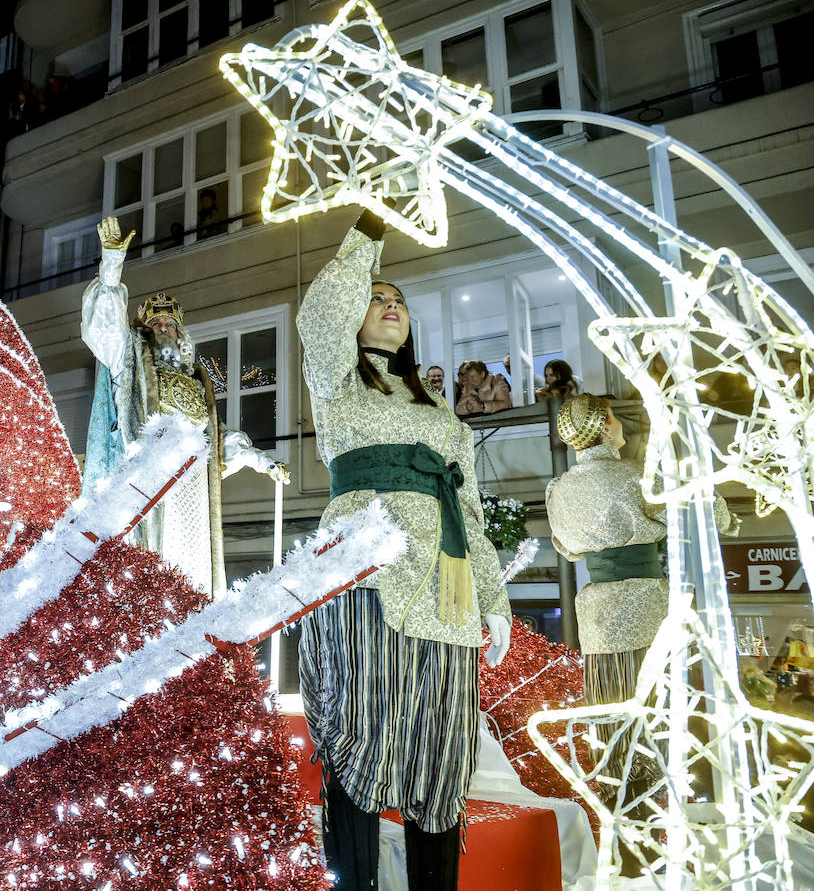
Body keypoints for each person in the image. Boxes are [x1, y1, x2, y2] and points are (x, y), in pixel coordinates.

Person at [295, 209, 512, 891]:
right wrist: (369, 229)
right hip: (368, 584)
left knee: (442, 760)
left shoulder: (442, 415)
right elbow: (318, 315)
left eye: (400, 303)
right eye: (377, 297)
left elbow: (469, 510)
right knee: (358, 746)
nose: (391, 307)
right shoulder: (336, 380)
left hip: (446, 597)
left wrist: (495, 599)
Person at [546, 394, 739, 874]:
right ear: (607, 426)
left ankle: (625, 839)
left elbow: (568, 549)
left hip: (595, 614)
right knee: (660, 719)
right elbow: (708, 517)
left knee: (612, 725)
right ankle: (662, 837)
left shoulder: (559, 489)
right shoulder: (635, 476)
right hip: (645, 606)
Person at [82, 217, 288, 596]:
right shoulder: (128, 361)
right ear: (144, 330)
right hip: (149, 481)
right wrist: (111, 265)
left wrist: (262, 461)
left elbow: (218, 439)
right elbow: (104, 329)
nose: (164, 328)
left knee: (191, 572)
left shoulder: (197, 379)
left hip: (192, 486)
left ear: (181, 334)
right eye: (156, 322)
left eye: (171, 324)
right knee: (149, 571)